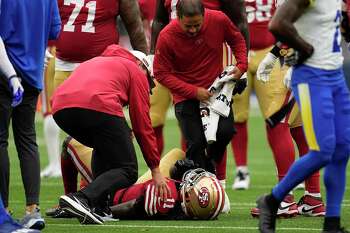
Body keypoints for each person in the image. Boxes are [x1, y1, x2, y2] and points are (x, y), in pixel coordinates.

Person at [257, 0, 350, 232]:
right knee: (324, 150)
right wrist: (304, 49)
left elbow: (326, 26)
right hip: (311, 77)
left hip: (335, 75)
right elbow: (278, 24)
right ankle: (272, 200)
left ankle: (332, 223)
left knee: (343, 148)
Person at [51, 45, 170, 225]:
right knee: (128, 169)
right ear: (141, 65)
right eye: (149, 80)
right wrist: (155, 169)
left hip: (60, 109)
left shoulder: (97, 61)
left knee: (102, 145)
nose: (148, 86)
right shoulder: (135, 70)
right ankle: (81, 198)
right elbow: (142, 125)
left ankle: (97, 206)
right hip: (96, 105)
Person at [149, 0, 249, 188]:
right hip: (185, 96)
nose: (193, 30)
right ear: (177, 18)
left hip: (216, 91)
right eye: (188, 26)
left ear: (205, 15)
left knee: (226, 132)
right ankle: (201, 191)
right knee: (195, 143)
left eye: (197, 25)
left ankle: (207, 170)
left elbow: (237, 39)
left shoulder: (218, 19)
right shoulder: (167, 35)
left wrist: (241, 65)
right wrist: (193, 92)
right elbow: (161, 73)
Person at [246, 0, 325, 217]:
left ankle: (285, 198)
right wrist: (273, 56)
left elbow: (308, 26)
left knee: (276, 123)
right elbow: (291, 27)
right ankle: (313, 198)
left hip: (306, 60)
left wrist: (295, 61)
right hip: (305, 58)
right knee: (299, 128)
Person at [0, 0, 61, 230]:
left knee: (0, 140)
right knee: (27, 140)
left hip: (5, 70)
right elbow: (55, 29)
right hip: (33, 70)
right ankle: (32, 209)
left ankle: (4, 209)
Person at [40, 44, 62, 178]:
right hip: (70, 54)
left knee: (50, 109)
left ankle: (55, 164)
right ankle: (55, 164)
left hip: (53, 52)